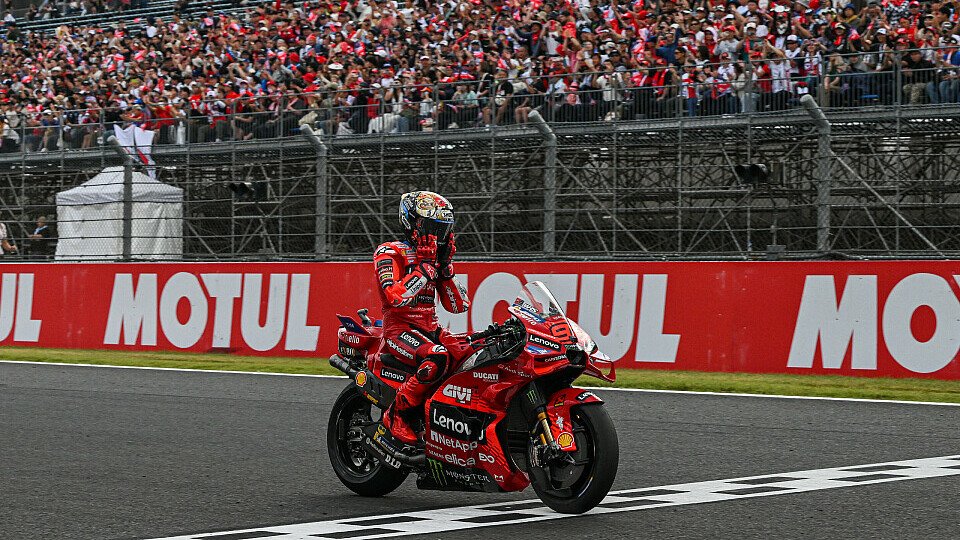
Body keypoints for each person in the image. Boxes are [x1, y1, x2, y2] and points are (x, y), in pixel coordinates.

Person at [375, 191, 470, 447]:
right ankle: (397, 414)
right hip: (399, 329)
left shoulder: (436, 259)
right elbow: (394, 297)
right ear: (412, 223)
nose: (438, 236)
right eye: (432, 228)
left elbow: (459, 306)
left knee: (469, 353)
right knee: (438, 357)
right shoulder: (389, 252)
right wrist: (425, 268)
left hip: (430, 328)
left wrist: (445, 268)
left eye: (443, 229)